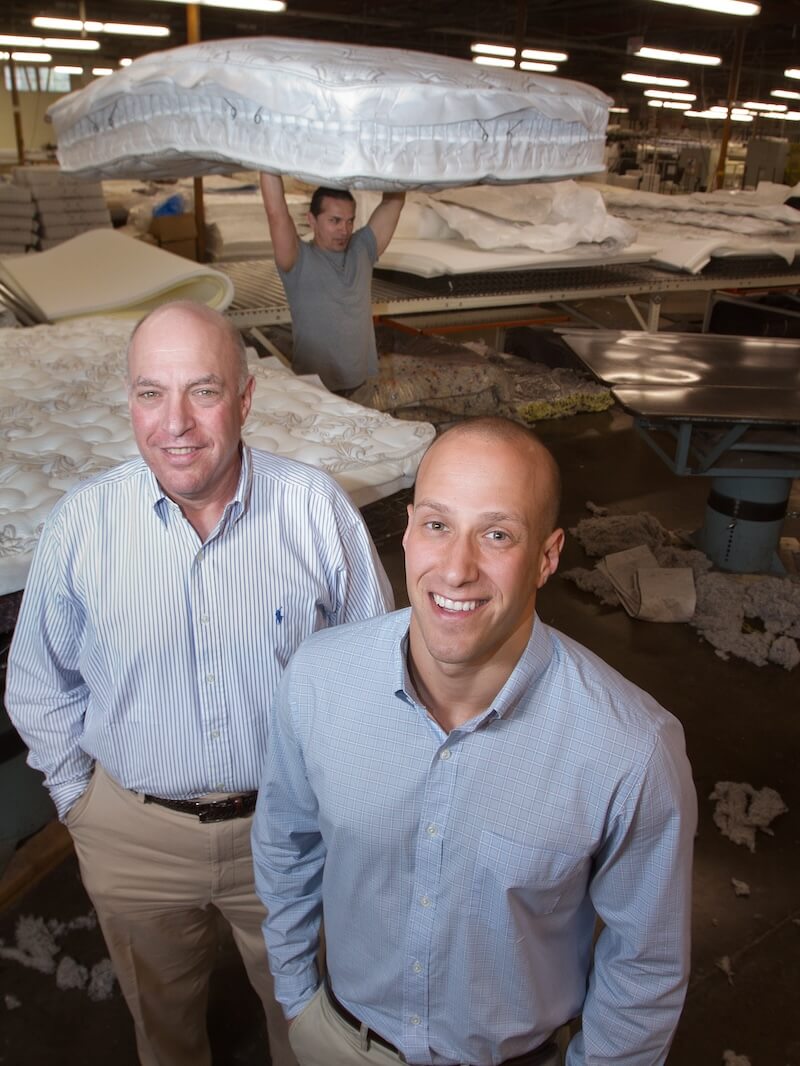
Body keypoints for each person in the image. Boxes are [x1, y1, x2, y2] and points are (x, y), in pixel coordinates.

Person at [5, 300, 393, 1066]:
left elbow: (378, 674)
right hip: (134, 838)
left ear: (246, 399)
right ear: (130, 403)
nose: (175, 422)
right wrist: (80, 803)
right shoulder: (81, 526)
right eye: (152, 392)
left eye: (203, 391)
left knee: (311, 1026)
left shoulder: (315, 510)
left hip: (290, 830)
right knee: (165, 1029)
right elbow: (37, 683)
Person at [252, 417, 698, 1066]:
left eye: (496, 534)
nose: (456, 569)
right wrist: (298, 1003)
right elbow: (285, 845)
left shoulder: (629, 751)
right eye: (437, 525)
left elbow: (646, 966)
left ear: (547, 556)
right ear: (407, 531)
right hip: (340, 1041)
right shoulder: (318, 679)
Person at [260, 173, 405, 393]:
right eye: (334, 221)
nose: (344, 230)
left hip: (361, 386)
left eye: (349, 221)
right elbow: (276, 214)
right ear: (312, 220)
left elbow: (393, 202)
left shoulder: (362, 249)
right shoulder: (298, 258)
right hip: (313, 389)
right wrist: (266, 160)